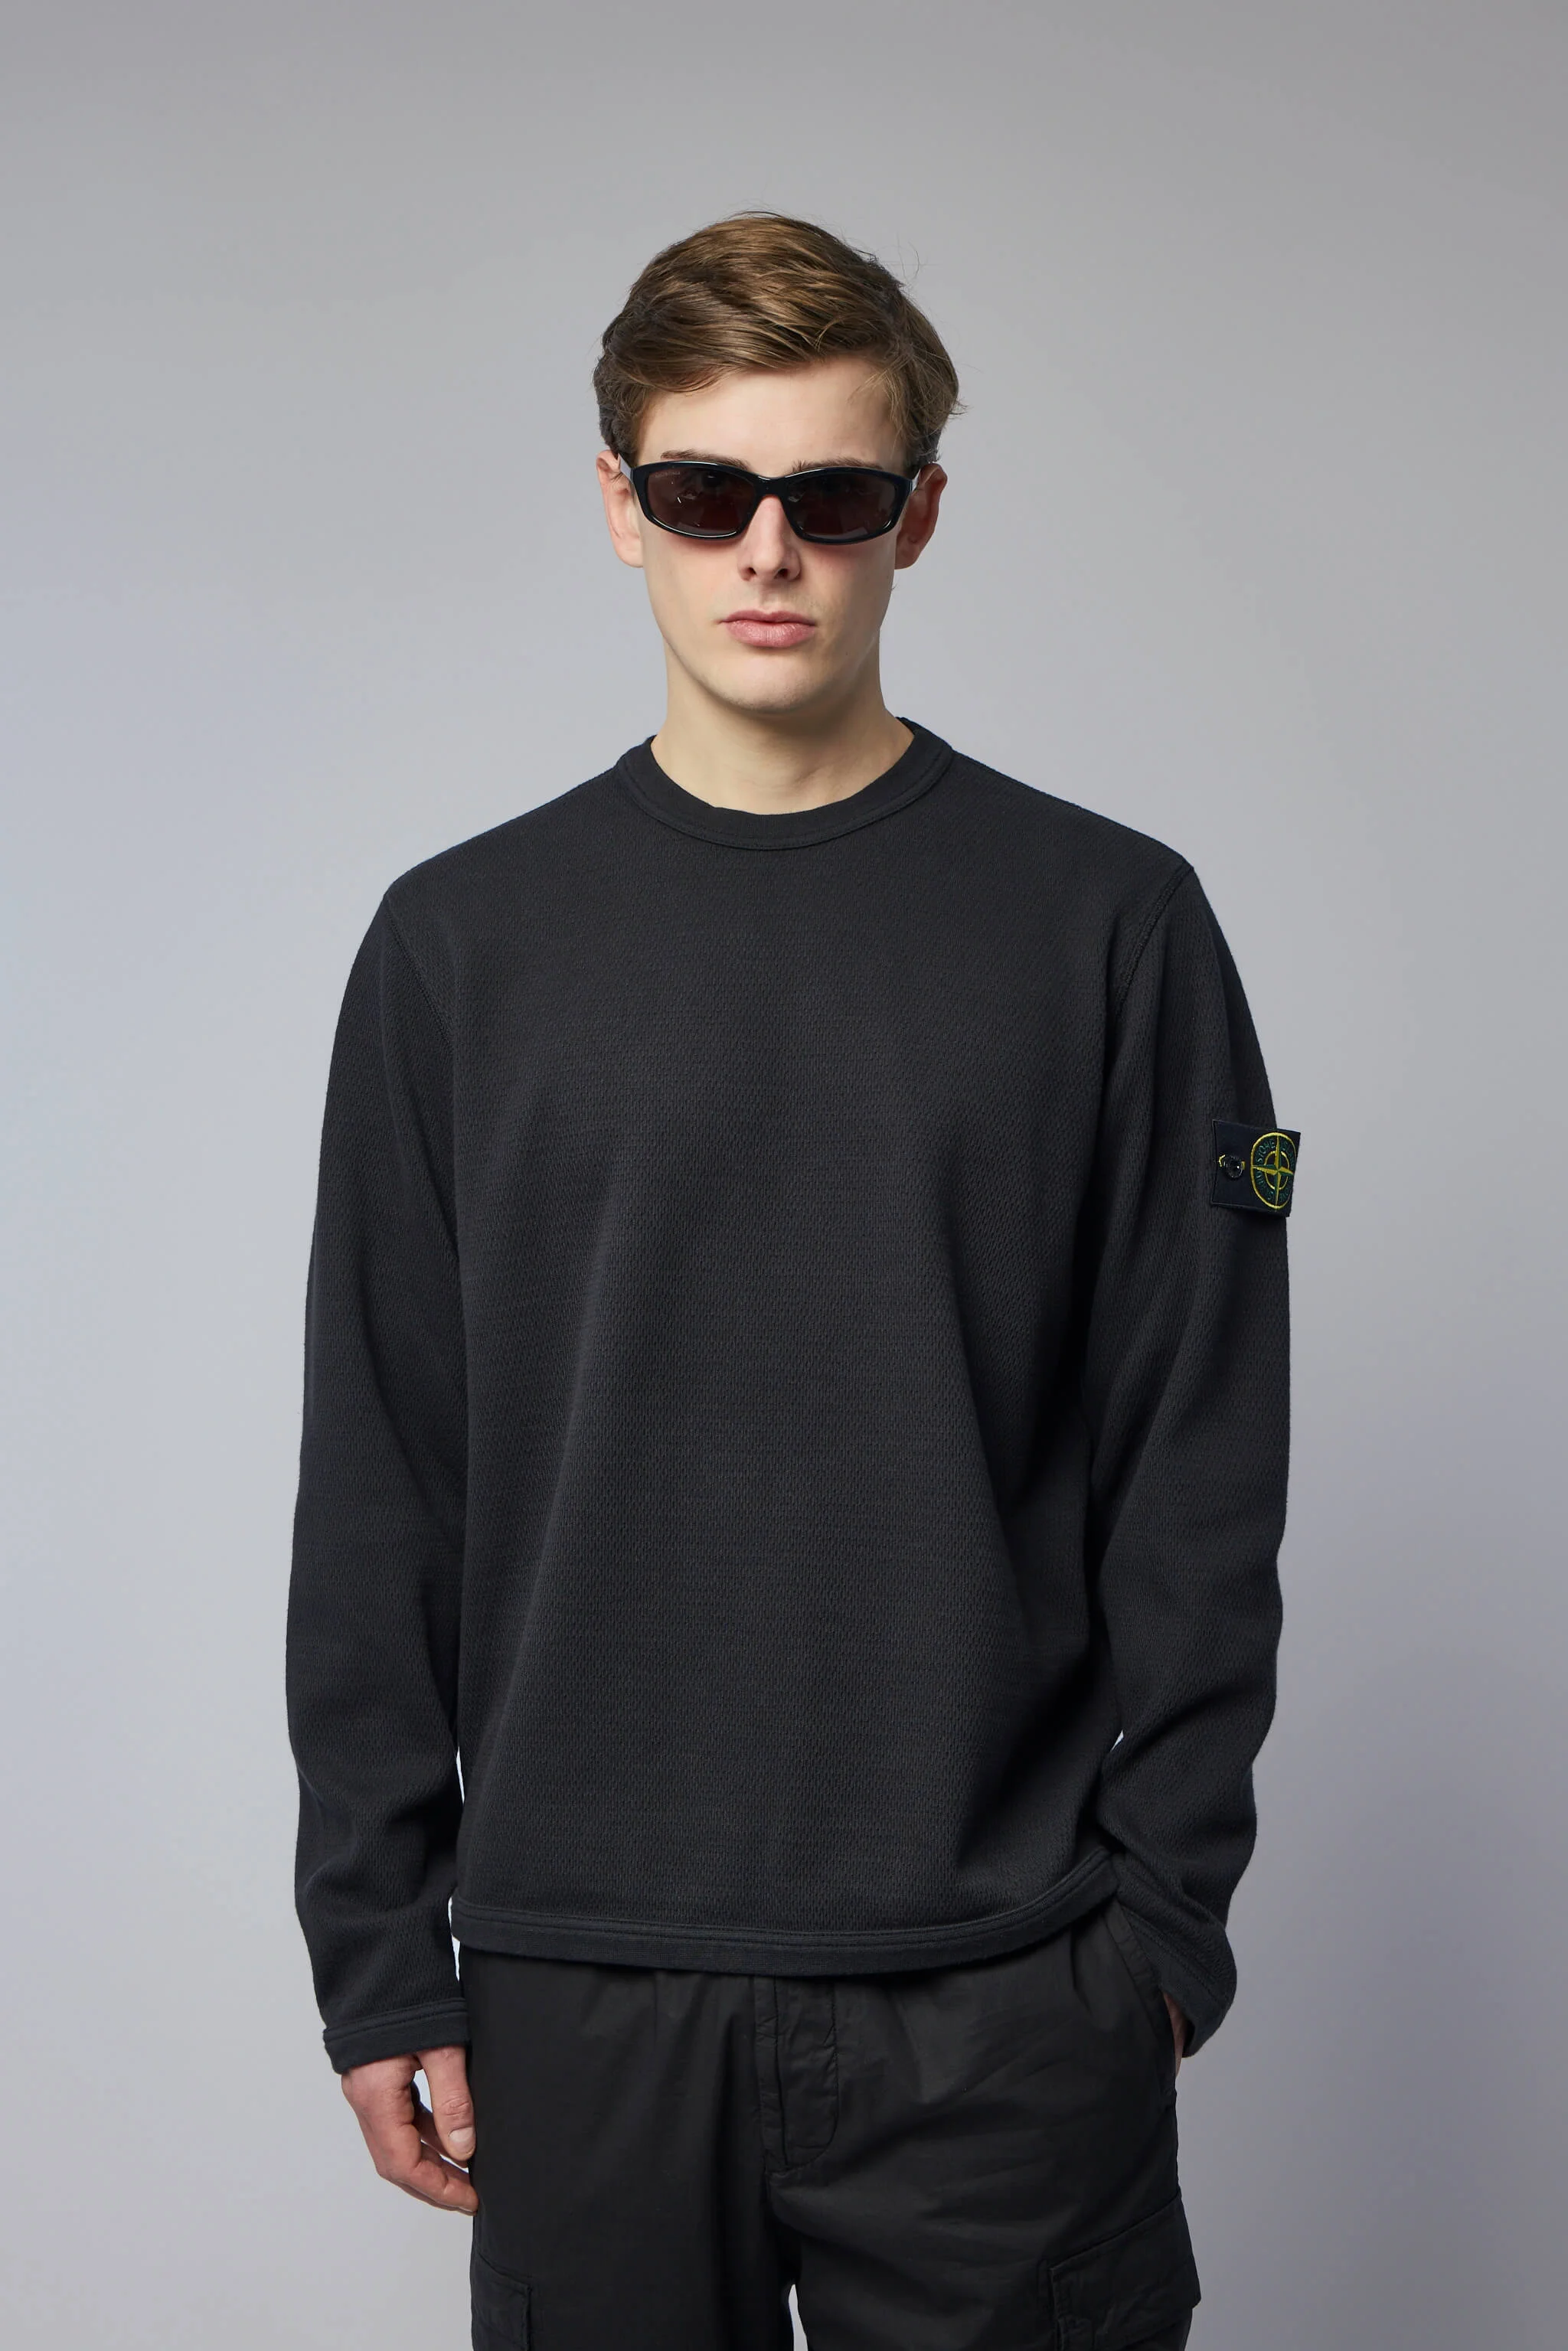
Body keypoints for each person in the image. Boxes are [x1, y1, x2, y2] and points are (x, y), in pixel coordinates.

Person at [285, 209, 1294, 2351]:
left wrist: (1162, 1930)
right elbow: (383, 1476)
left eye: (831, 496)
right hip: (581, 1982)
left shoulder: (1113, 928)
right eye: (703, 491)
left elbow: (1200, 1447)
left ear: (916, 515)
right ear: (618, 504)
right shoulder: (459, 949)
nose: (767, 549)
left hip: (1003, 1985)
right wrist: (377, 1949)